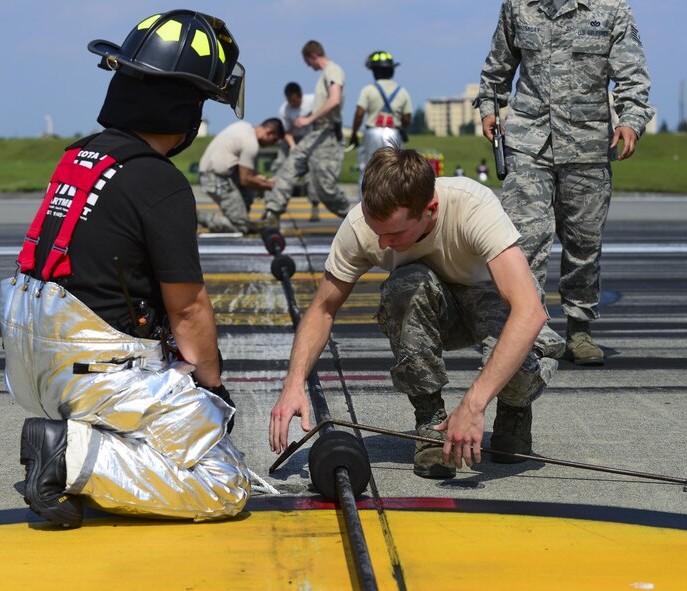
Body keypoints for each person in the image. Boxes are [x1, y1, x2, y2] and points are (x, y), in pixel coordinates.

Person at [0, 10, 250, 528]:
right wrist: (212, 388)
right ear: (183, 106)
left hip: (31, 367)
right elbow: (187, 308)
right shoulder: (158, 182)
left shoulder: (79, 158)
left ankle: (76, 448)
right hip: (92, 374)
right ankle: (66, 455)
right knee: (223, 480)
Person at [269, 148, 559, 479]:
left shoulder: (471, 205)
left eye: (393, 234)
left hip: (491, 298)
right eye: (376, 230)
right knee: (404, 287)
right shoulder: (362, 227)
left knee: (519, 366)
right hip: (435, 307)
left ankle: (514, 410)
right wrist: (293, 384)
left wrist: (473, 405)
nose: (381, 242)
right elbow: (322, 309)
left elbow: (529, 311)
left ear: (429, 210)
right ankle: (430, 423)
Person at [476, 0, 655, 365]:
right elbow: (498, 66)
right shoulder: (518, 6)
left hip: (587, 144)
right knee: (524, 238)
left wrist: (631, 120)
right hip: (528, 141)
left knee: (583, 244)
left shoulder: (611, 9)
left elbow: (633, 75)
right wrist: (490, 107)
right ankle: (531, 326)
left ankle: (579, 328)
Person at [263, 40, 351, 226]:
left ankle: (356, 218)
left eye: (307, 62)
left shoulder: (333, 70)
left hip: (327, 135)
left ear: (312, 56)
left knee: (324, 188)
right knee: (288, 168)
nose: (308, 66)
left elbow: (334, 100)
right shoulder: (326, 75)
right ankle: (272, 213)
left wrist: (308, 120)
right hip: (315, 134)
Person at [197, 117, 284, 233]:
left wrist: (259, 178)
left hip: (215, 174)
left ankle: (238, 216)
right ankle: (199, 217)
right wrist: (268, 185)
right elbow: (245, 179)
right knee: (241, 227)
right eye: (274, 140)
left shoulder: (244, 126)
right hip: (216, 179)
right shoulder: (251, 143)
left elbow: (243, 169)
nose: (272, 144)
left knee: (249, 192)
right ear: (269, 132)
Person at [349, 51, 413, 185]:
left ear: (374, 71)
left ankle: (366, 203)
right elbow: (407, 118)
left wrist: (354, 133)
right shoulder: (402, 91)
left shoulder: (368, 90)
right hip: (394, 133)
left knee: (369, 170)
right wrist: (402, 128)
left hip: (372, 133)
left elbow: (359, 113)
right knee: (395, 171)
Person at [274, 82, 322, 222]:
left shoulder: (312, 101)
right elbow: (286, 131)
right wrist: (293, 146)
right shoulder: (284, 110)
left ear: (300, 96)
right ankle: (275, 204)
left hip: (310, 138)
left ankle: (314, 205)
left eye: (294, 101)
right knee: (280, 166)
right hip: (292, 139)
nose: (292, 104)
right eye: (289, 101)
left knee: (311, 174)